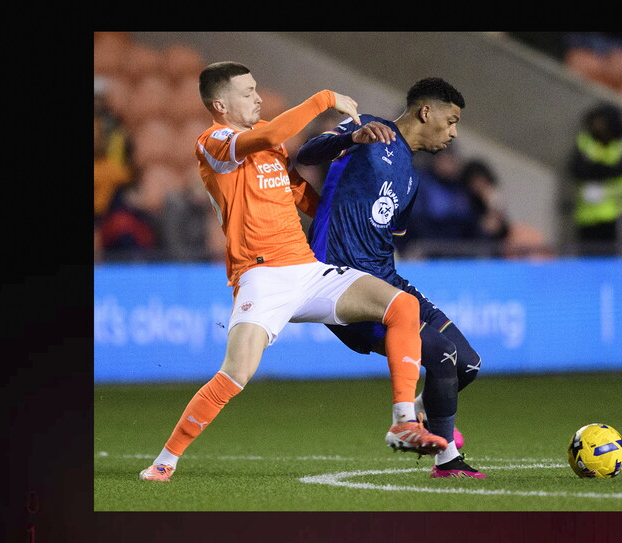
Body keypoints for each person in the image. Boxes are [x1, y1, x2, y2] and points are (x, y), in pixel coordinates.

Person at [138, 62, 447, 482]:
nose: (257, 98)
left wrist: (343, 216)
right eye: (247, 92)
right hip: (262, 276)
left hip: (307, 270)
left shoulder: (268, 143)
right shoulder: (214, 143)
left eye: (256, 89)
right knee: (236, 374)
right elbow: (269, 136)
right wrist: (324, 100)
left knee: (402, 306)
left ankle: (403, 421)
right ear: (220, 104)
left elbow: (297, 190)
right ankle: (165, 460)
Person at [296, 77, 485, 478]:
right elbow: (306, 154)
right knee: (442, 356)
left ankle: (424, 414)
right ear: (425, 112)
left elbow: (386, 238)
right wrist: (349, 138)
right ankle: (446, 459)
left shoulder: (411, 178)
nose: (454, 133)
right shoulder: (367, 127)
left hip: (386, 279)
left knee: (467, 364)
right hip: (342, 281)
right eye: (451, 121)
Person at [567, 102, 622, 256]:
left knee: (617, 258)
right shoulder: (585, 141)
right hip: (588, 216)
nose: (597, 127)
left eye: (601, 122)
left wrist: (593, 166)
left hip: (619, 213)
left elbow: (619, 170)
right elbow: (576, 170)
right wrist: (601, 167)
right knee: (588, 260)